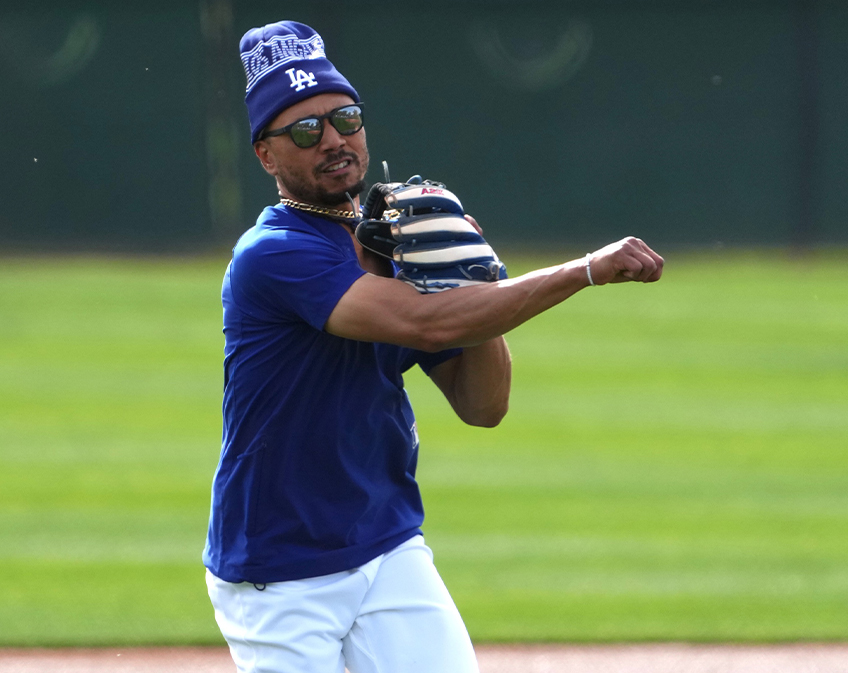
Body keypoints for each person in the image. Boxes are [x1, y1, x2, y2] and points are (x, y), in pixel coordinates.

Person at [202, 20, 664, 673]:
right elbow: (430, 326)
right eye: (305, 130)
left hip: (386, 544)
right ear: (265, 155)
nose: (333, 139)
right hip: (279, 572)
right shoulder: (274, 255)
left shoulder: (396, 241)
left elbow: (484, 403)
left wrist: (470, 276)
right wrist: (582, 271)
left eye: (345, 117)